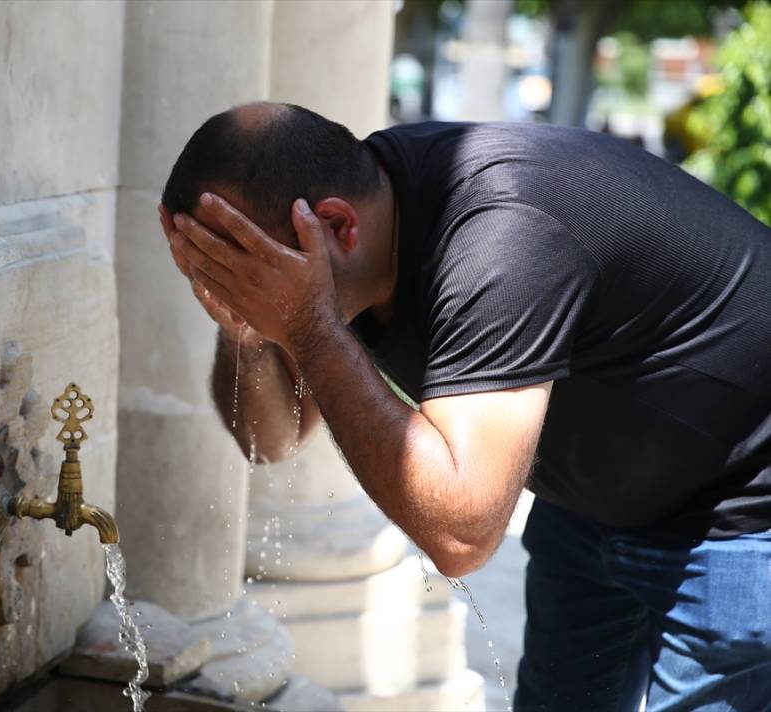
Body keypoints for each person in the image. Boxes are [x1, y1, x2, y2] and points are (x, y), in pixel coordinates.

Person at [156, 102, 771, 711]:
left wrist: (307, 324)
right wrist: (245, 326)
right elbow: (271, 440)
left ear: (338, 227)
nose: (244, 288)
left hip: (741, 499)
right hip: (601, 492)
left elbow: (461, 533)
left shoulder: (499, 238)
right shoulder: (357, 233)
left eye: (250, 268)